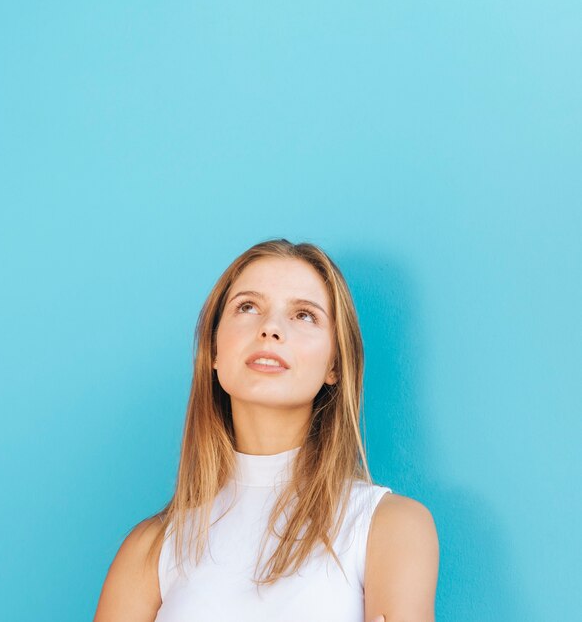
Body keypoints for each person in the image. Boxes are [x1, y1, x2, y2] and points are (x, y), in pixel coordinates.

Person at [93, 238, 439, 622]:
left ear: (334, 365)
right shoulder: (149, 550)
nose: (270, 328)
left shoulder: (391, 527)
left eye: (304, 315)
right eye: (247, 307)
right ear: (214, 351)